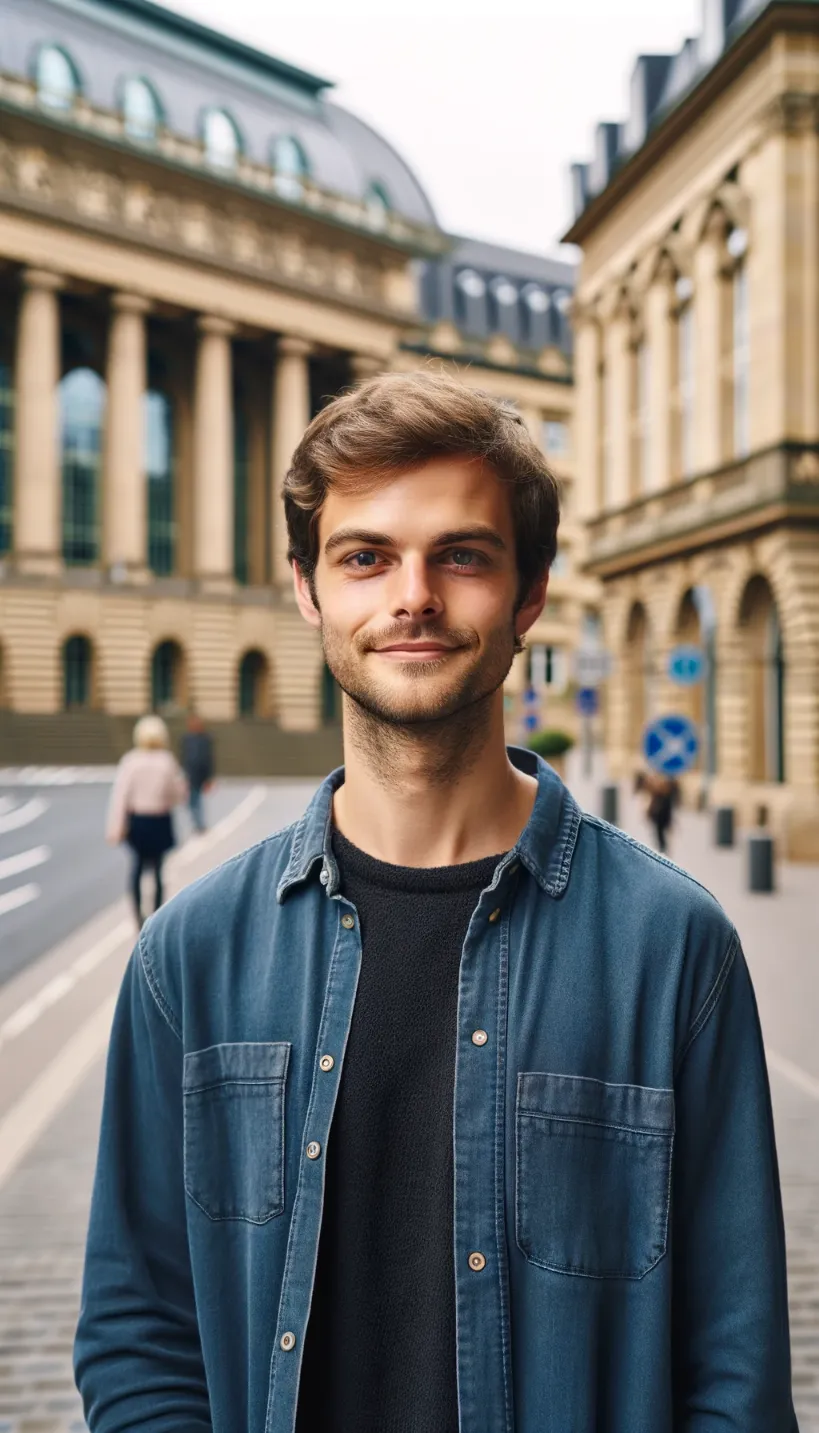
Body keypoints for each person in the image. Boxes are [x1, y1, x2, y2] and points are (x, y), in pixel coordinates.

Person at [77, 373, 797, 1433]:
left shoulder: (674, 948)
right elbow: (138, 1333)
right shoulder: (189, 954)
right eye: (365, 556)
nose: (411, 594)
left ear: (530, 594)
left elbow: (736, 1373)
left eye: (460, 554)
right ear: (309, 590)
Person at [106, 714, 188, 929]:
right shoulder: (167, 761)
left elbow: (121, 796)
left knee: (137, 867)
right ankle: (156, 916)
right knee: (159, 870)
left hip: (138, 820)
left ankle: (138, 916)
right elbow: (178, 794)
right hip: (160, 819)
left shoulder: (131, 761)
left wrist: (116, 827)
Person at [181, 711, 214, 833]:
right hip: (190, 774)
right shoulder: (186, 738)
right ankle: (197, 823)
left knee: (197, 800)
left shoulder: (205, 739)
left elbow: (209, 759)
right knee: (191, 801)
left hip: (201, 774)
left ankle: (199, 824)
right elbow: (184, 757)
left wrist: (209, 778)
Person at [645, 771, 681, 854]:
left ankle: (663, 850)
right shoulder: (657, 789)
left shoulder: (669, 790)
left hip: (664, 816)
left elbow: (670, 806)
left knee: (662, 835)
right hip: (658, 816)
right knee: (659, 834)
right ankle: (662, 850)